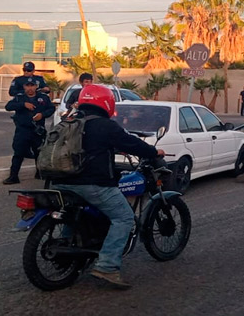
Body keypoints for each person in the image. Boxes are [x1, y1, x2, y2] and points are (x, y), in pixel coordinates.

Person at [51, 85, 165, 289]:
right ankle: (107, 266)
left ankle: (68, 250)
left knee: (74, 212)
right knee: (124, 217)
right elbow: (131, 143)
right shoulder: (105, 125)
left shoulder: (68, 122)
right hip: (91, 184)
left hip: (59, 181)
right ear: (106, 102)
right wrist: (154, 152)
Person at [3, 77, 55, 185]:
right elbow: (8, 106)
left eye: (32, 86)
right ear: (24, 87)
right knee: (18, 153)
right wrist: (23, 105)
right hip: (23, 130)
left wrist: (42, 115)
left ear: (36, 87)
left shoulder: (43, 98)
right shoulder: (19, 97)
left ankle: (39, 173)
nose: (30, 88)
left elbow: (51, 109)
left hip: (37, 130)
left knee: (39, 152)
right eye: (27, 86)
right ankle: (13, 176)